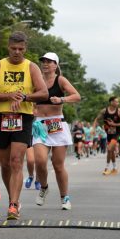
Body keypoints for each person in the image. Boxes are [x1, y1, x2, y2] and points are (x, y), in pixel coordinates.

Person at [0, 31, 48, 220]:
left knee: (16, 161)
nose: (17, 52)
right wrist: (9, 96)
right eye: (13, 48)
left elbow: (43, 93)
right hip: (2, 116)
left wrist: (25, 97)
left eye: (20, 49)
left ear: (25, 48)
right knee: (5, 164)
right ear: (8, 47)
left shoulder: (32, 67)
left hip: (23, 116)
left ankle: (13, 205)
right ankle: (13, 198)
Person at [32, 52, 81, 210]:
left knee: (58, 165)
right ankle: (44, 187)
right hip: (40, 125)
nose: (45, 64)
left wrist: (62, 99)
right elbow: (30, 97)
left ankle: (64, 197)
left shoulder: (60, 80)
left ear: (56, 65)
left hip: (57, 125)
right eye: (43, 61)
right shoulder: (36, 80)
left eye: (49, 61)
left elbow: (76, 96)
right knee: (39, 161)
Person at [92, 96, 120, 175]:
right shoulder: (104, 111)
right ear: (111, 102)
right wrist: (93, 128)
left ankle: (107, 168)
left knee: (109, 149)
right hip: (109, 133)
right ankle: (114, 168)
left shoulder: (119, 111)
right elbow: (97, 119)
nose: (118, 103)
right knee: (112, 151)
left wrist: (114, 124)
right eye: (116, 102)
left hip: (116, 133)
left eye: (118, 102)